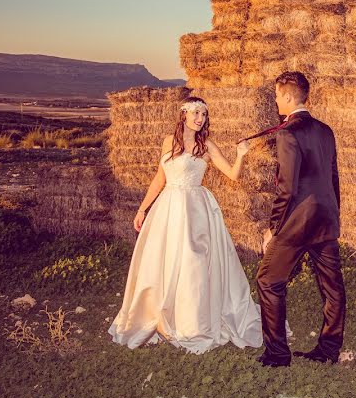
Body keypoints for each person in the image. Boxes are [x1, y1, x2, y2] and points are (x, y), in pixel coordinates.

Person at [108, 97, 263, 354]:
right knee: (163, 261)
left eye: (203, 113)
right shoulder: (169, 142)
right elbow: (160, 177)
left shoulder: (207, 145)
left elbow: (233, 175)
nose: (200, 118)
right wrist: (143, 208)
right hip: (168, 208)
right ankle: (161, 315)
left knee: (194, 260)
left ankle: (193, 323)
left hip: (196, 210)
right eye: (195, 113)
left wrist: (240, 155)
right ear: (183, 115)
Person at [255, 71, 346, 367]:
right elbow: (333, 179)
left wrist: (273, 229)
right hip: (325, 217)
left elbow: (287, 187)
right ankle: (329, 349)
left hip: (296, 222)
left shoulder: (287, 132)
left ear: (290, 96)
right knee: (332, 286)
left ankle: (278, 355)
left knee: (268, 281)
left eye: (278, 95)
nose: (276, 100)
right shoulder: (325, 130)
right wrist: (334, 215)